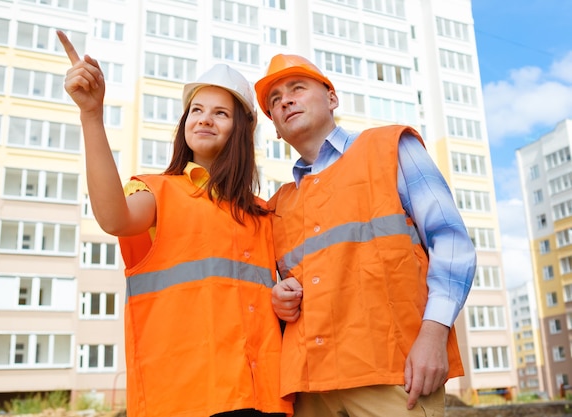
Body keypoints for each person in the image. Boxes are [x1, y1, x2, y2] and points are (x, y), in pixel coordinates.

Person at [57, 31, 293, 417]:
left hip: (263, 399)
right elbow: (113, 217)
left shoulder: (264, 214)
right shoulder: (158, 192)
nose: (204, 119)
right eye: (196, 110)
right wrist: (92, 116)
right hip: (183, 401)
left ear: (241, 131)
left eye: (220, 112)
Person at [254, 54, 476, 416]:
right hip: (311, 388)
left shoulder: (391, 148)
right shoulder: (277, 205)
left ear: (331, 99)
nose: (285, 101)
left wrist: (434, 335)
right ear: (276, 128)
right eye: (275, 100)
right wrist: (279, 300)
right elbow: (285, 287)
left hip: (395, 376)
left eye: (297, 88)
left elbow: (451, 241)